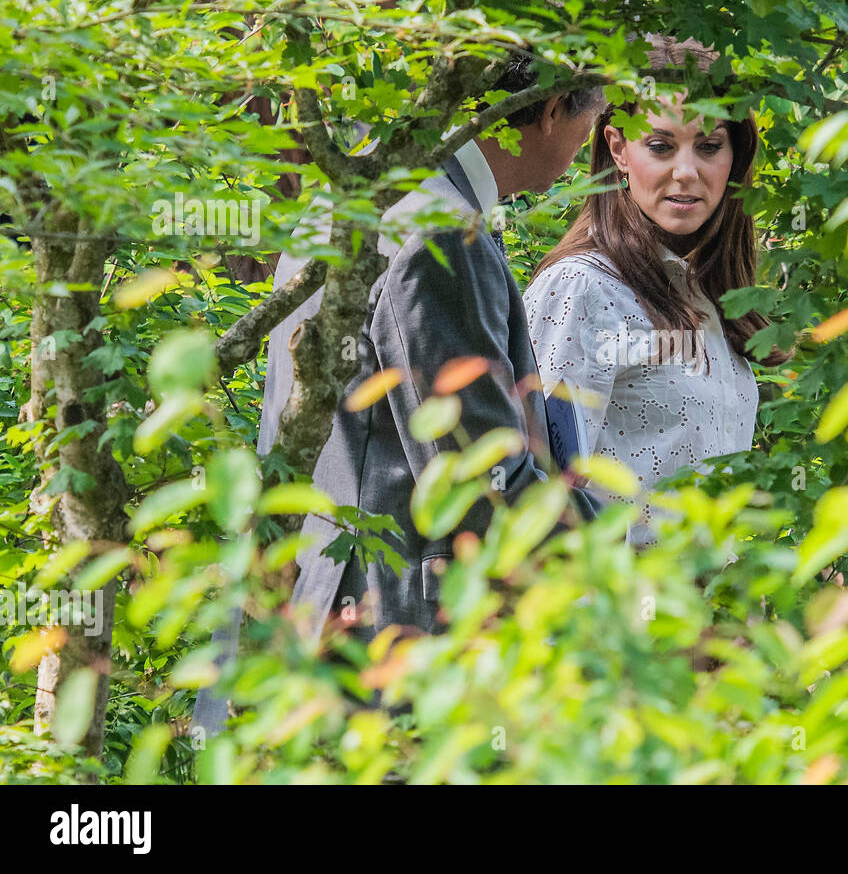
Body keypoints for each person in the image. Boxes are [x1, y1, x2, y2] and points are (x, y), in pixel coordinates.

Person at [192, 52, 608, 736]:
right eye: (593, 112)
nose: (592, 135)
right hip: (393, 631)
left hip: (318, 605)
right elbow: (474, 479)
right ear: (556, 108)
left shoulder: (359, 193)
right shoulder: (443, 234)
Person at [523, 37, 782, 548]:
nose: (686, 171)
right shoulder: (583, 288)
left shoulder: (707, 295)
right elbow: (542, 496)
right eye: (660, 146)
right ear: (618, 148)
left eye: (709, 147)